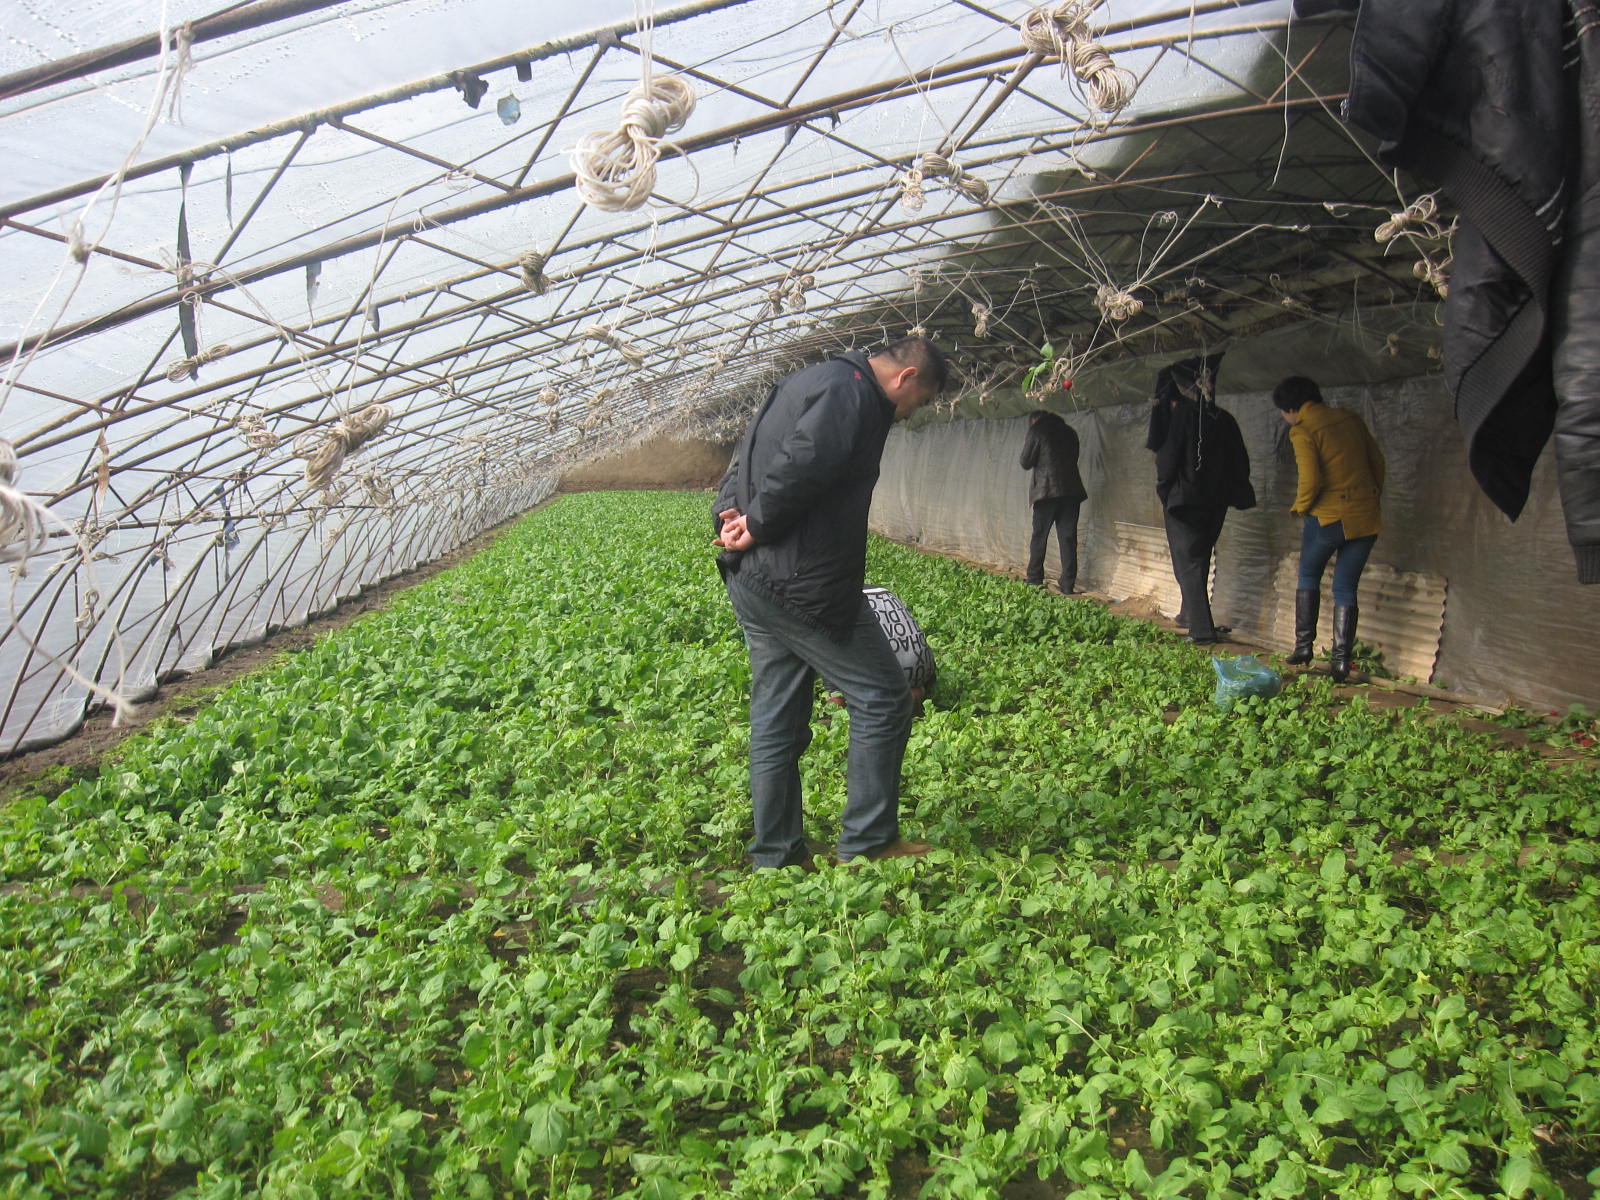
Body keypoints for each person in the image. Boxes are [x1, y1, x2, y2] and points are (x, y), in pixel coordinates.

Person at [712, 336, 947, 869]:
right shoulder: (853, 392)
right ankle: (869, 842)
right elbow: (805, 461)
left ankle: (776, 853)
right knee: (885, 696)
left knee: (777, 717)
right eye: (923, 401)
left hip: (755, 579)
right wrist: (760, 523)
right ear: (906, 378)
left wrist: (731, 515)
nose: (913, 413)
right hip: (803, 582)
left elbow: (745, 455)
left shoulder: (805, 379)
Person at [1272, 375, 1386, 682]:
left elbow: (1311, 479)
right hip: (1365, 515)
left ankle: (1303, 649)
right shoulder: (1350, 419)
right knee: (1346, 587)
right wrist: (1371, 497)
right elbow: (1378, 463)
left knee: (1309, 574)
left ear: (1291, 409)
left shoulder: (1303, 430)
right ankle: (1339, 662)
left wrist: (1300, 507)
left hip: (1328, 518)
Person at [1150, 354, 1255, 645]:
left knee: (1188, 563)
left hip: (1186, 501)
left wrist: (1165, 490)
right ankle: (1189, 614)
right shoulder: (1224, 419)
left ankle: (1202, 631)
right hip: (1216, 501)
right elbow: (1241, 463)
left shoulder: (1183, 417)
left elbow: (1167, 460)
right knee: (1200, 557)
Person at [1018, 410, 1087, 593]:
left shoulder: (1037, 430)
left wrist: (1028, 443)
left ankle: (1034, 578)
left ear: (1034, 420)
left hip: (1046, 491)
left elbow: (1025, 461)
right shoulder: (1070, 432)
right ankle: (1067, 584)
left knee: (1040, 535)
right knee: (1068, 537)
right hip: (1072, 490)